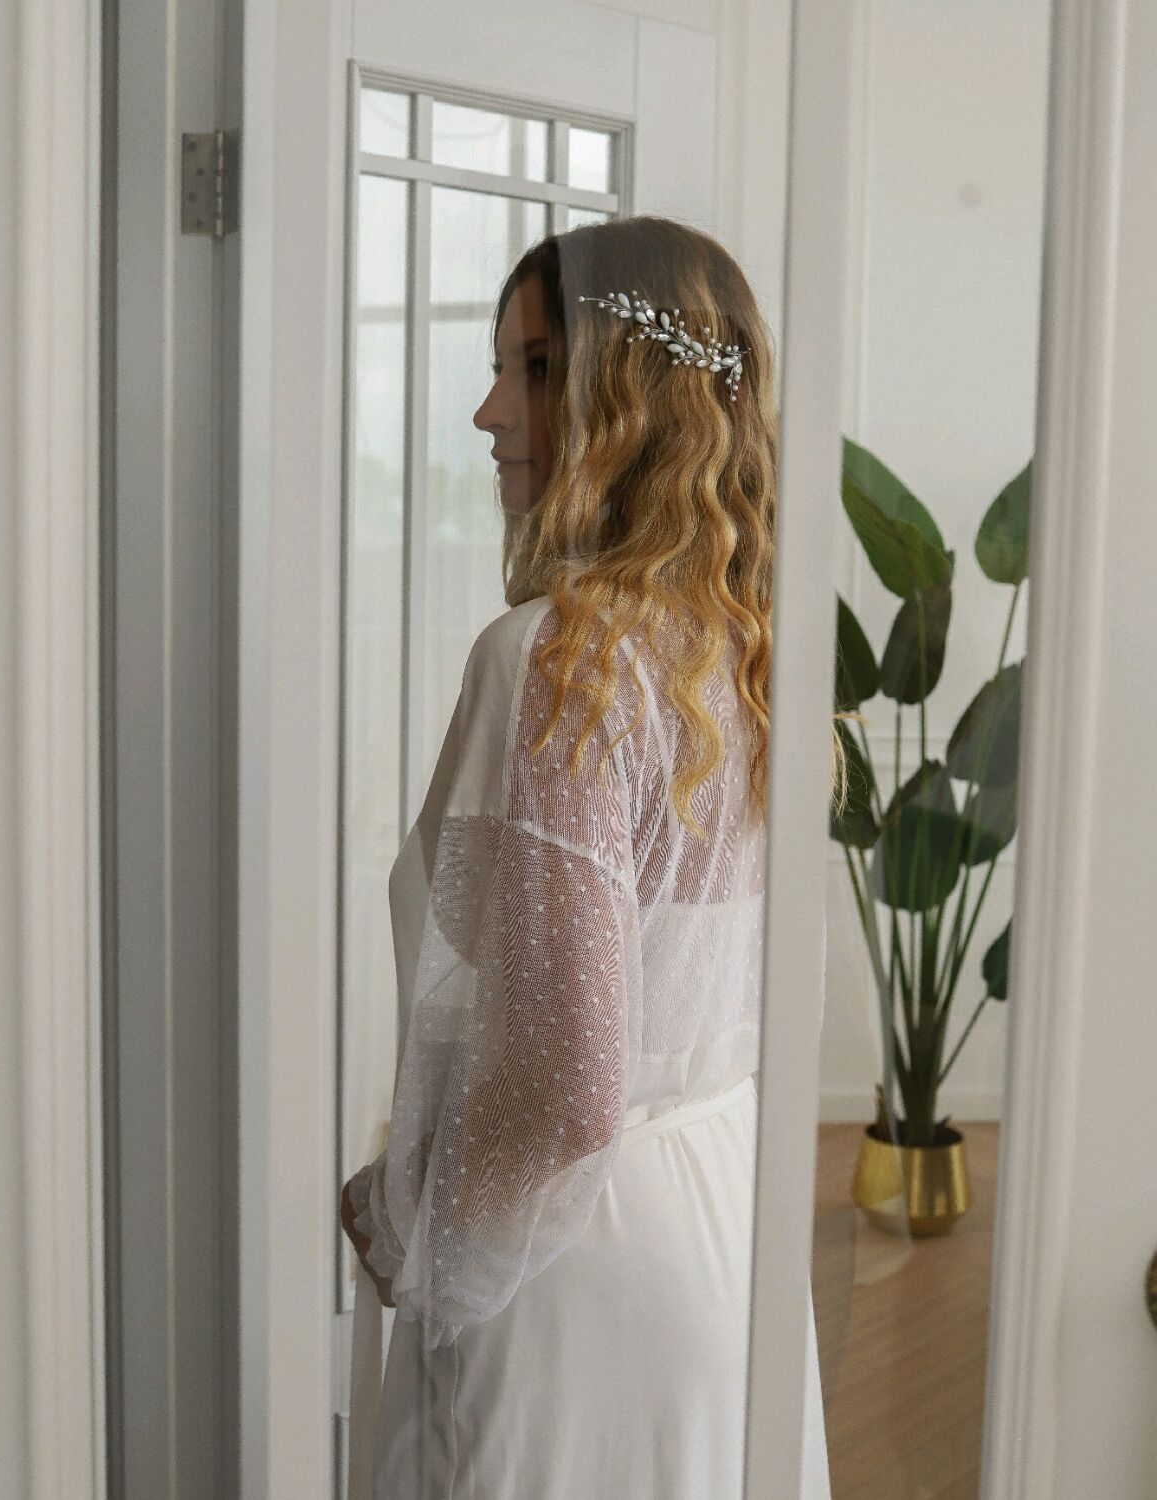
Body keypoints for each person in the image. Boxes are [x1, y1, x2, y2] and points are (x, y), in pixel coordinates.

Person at [340, 214, 843, 1498]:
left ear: (632, 397)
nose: (489, 413)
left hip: (573, 1257)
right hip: (726, 1216)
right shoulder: (751, 652)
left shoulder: (556, 661)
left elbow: (569, 1083)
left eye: (536, 369)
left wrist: (409, 1225)